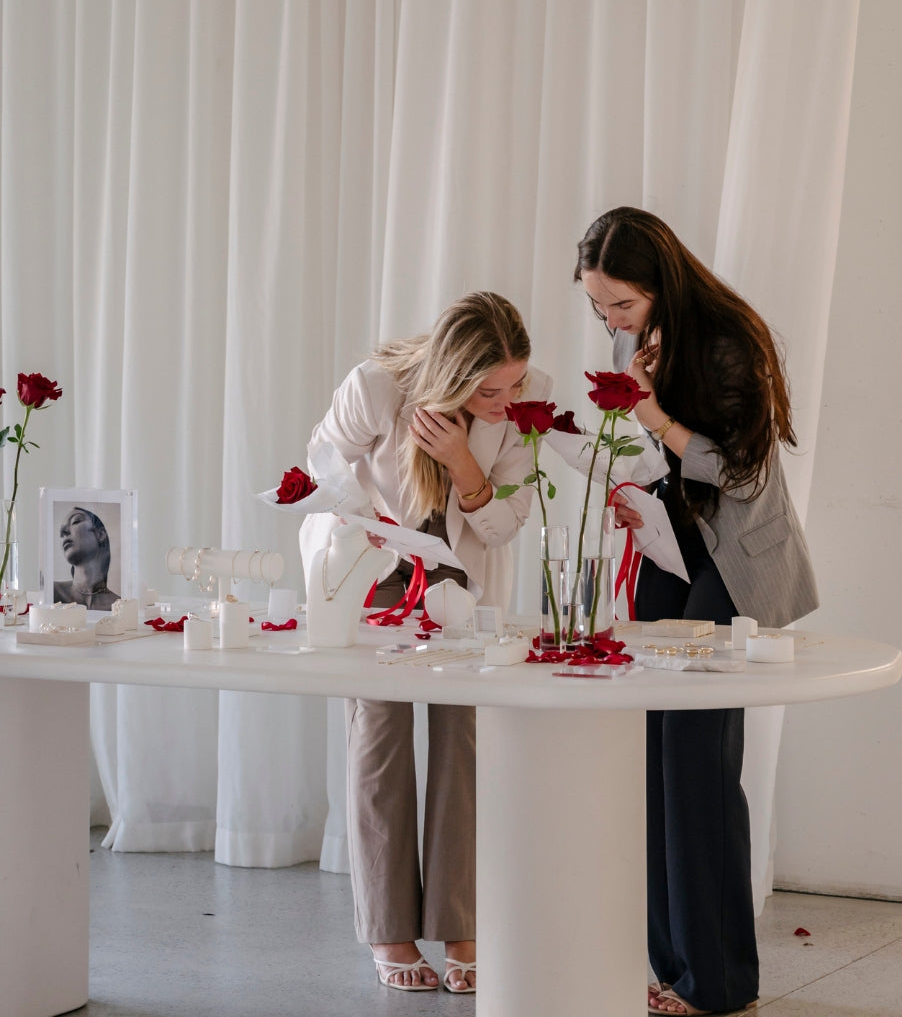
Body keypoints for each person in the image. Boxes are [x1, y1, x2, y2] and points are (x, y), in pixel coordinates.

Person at [575, 207, 819, 1017]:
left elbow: (741, 471)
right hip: (675, 537)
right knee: (653, 740)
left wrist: (651, 417)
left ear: (659, 282)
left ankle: (719, 983)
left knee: (697, 753)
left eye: (620, 304)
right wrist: (632, 491)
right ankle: (675, 965)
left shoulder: (726, 338)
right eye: (600, 307)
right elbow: (664, 457)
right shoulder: (635, 339)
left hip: (738, 553)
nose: (609, 322)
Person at [302, 292, 550, 995]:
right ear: (449, 372)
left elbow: (504, 527)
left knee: (462, 736)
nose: (507, 399)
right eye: (488, 388)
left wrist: (463, 461)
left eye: (516, 383)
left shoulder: (527, 406)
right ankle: (388, 929)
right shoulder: (377, 389)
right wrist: (375, 526)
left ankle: (461, 925)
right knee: (377, 735)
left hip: (467, 586)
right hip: (377, 574)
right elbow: (319, 468)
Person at [53, 506, 120, 609]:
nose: (64, 532)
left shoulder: (118, 606)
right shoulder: (52, 592)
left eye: (75, 521)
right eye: (61, 531)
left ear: (100, 534)